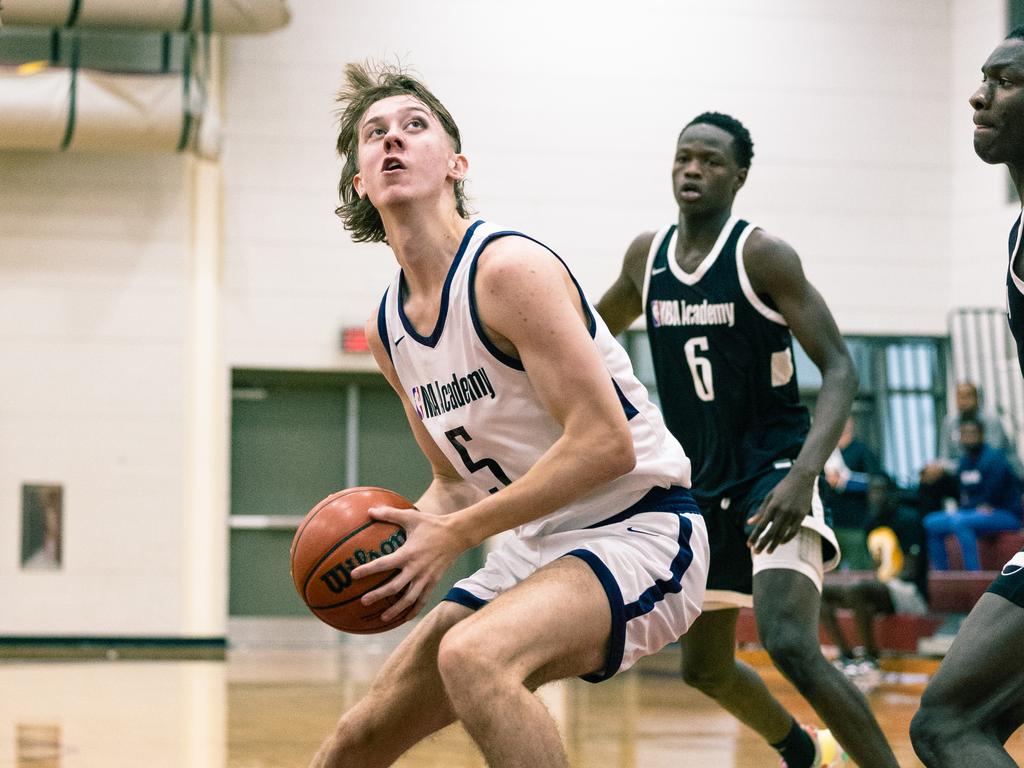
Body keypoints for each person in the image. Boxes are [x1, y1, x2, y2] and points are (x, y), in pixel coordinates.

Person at [307, 63, 710, 768]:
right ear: (358, 183)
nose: (393, 140)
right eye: (375, 135)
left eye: (414, 125)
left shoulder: (505, 269)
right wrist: (408, 546)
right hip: (534, 547)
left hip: (642, 525)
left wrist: (454, 535)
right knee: (356, 740)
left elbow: (604, 445)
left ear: (455, 164)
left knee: (475, 656)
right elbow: (454, 481)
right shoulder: (388, 330)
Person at [596, 112, 897, 767]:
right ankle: (806, 754)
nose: (692, 170)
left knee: (789, 641)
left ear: (739, 175)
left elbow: (840, 367)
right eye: (683, 157)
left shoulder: (761, 254)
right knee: (704, 669)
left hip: (773, 469)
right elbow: (590, 337)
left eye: (708, 160)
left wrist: (803, 475)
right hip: (700, 482)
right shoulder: (647, 259)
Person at [911, 26, 1024, 767]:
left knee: (948, 724)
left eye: (1004, 80)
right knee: (947, 723)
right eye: (981, 75)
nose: (978, 93)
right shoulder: (1016, 237)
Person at [820, 475, 929, 690]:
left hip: (910, 592)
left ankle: (871, 658)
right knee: (821, 591)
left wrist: (872, 582)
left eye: (880, 491)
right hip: (884, 589)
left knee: (858, 589)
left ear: (893, 494)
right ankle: (847, 657)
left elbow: (909, 571)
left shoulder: (909, 519)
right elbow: (876, 567)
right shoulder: (871, 523)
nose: (875, 497)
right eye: (871, 492)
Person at [922, 418, 1021, 571]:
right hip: (974, 512)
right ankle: (943, 575)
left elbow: (992, 494)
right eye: (964, 434)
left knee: (961, 521)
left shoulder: (994, 459)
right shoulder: (964, 462)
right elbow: (961, 493)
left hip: (1004, 513)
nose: (968, 437)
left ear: (982, 435)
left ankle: (973, 574)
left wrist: (974, 507)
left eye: (972, 433)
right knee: (931, 522)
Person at [917, 381, 1018, 518]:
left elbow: (992, 459)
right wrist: (937, 468)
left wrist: (956, 467)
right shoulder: (950, 422)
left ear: (977, 399)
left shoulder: (990, 420)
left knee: (977, 476)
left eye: (968, 396)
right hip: (962, 471)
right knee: (929, 482)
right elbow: (944, 457)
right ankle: (932, 529)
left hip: (990, 473)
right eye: (960, 396)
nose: (964, 401)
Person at [824, 417, 884, 570]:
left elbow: (876, 482)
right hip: (829, 523)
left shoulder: (861, 451)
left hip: (854, 524)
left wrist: (845, 482)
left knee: (860, 570)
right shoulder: (825, 451)